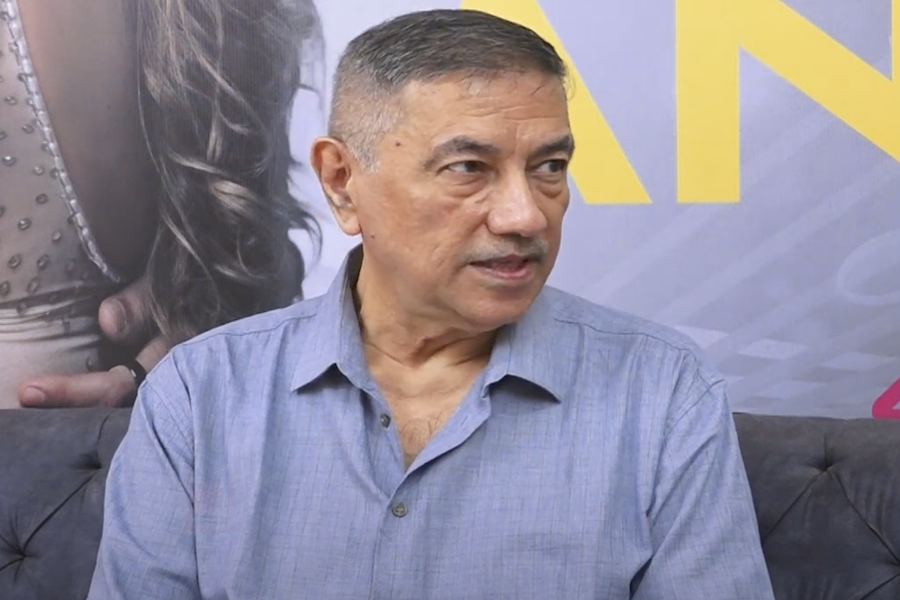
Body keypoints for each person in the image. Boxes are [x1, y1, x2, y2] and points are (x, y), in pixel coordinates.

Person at [87, 9, 775, 599]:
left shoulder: (661, 391)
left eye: (549, 167)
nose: (525, 216)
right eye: (468, 168)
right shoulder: (200, 395)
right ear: (341, 181)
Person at [0, 0, 322, 409]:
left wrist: (204, 311)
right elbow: (258, 247)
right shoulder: (212, 19)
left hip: (132, 424)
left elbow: (253, 252)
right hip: (136, 427)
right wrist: (209, 304)